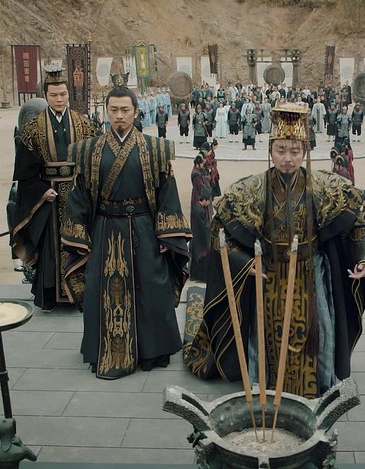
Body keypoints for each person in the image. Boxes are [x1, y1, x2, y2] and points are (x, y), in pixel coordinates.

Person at [184, 104, 365, 398]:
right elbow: (221, 232)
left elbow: (357, 225)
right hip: (269, 273)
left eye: (295, 151)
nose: (288, 158)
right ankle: (264, 382)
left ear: (305, 151)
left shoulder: (325, 187)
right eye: (280, 150)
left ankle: (318, 380)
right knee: (264, 332)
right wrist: (242, 262)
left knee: (317, 330)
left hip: (311, 273)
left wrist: (364, 257)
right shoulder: (251, 189)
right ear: (270, 150)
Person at [62, 78, 190, 379]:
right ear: (106, 111)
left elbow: (167, 192)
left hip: (144, 227)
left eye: (125, 110)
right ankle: (105, 351)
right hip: (105, 228)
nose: (119, 116)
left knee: (151, 286)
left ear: (135, 112)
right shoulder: (87, 151)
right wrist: (80, 235)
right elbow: (79, 196)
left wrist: (167, 234)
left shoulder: (155, 149)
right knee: (102, 290)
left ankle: (153, 351)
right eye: (114, 110)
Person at [11, 66, 98, 311]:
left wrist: (85, 187)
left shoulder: (84, 123)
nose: (59, 99)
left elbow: (94, 160)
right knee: (50, 247)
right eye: (54, 95)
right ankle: (50, 295)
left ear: (68, 94)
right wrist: (41, 190)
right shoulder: (34, 128)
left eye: (63, 94)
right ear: (45, 96)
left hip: (77, 193)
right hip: (49, 196)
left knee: (79, 242)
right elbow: (24, 171)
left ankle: (79, 295)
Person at [189, 185, 213, 282]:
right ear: (205, 200)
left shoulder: (197, 208)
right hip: (199, 237)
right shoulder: (198, 210)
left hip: (197, 235)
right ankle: (200, 277)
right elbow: (203, 226)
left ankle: (196, 276)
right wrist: (210, 226)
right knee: (202, 255)